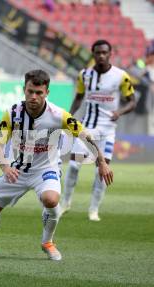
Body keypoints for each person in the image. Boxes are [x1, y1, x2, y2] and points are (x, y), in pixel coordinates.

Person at [0, 70, 113, 260]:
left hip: (46, 168)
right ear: (24, 90)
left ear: (47, 93)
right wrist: (5, 167)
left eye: (39, 93)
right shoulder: (12, 114)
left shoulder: (59, 115)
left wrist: (101, 162)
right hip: (17, 170)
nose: (34, 97)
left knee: (51, 200)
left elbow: (85, 135)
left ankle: (47, 242)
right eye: (30, 92)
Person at [60, 39, 135, 221]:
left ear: (110, 54)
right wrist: (68, 117)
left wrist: (120, 111)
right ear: (93, 54)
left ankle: (93, 210)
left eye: (104, 53)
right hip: (86, 129)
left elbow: (132, 101)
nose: (101, 56)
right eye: (97, 53)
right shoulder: (84, 75)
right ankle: (65, 203)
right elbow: (78, 98)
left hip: (107, 130)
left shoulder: (121, 76)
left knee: (101, 170)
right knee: (74, 166)